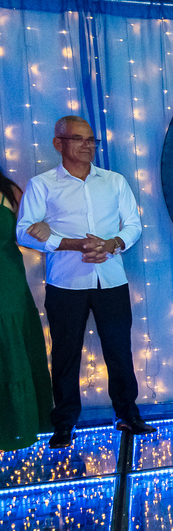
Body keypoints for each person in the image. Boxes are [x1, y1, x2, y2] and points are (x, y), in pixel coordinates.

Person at [15, 116, 156, 448]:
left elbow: (133, 225)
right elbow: (24, 232)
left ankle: (128, 414)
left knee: (119, 350)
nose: (87, 145)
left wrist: (111, 244)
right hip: (66, 283)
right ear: (58, 143)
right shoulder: (42, 184)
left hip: (111, 280)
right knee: (65, 355)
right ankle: (64, 423)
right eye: (78, 139)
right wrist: (71, 244)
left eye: (91, 140)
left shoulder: (114, 181)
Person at [0, 168, 52, 450]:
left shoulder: (9, 191)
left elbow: (28, 236)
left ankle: (16, 426)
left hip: (6, 285)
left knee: (11, 349)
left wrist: (43, 228)